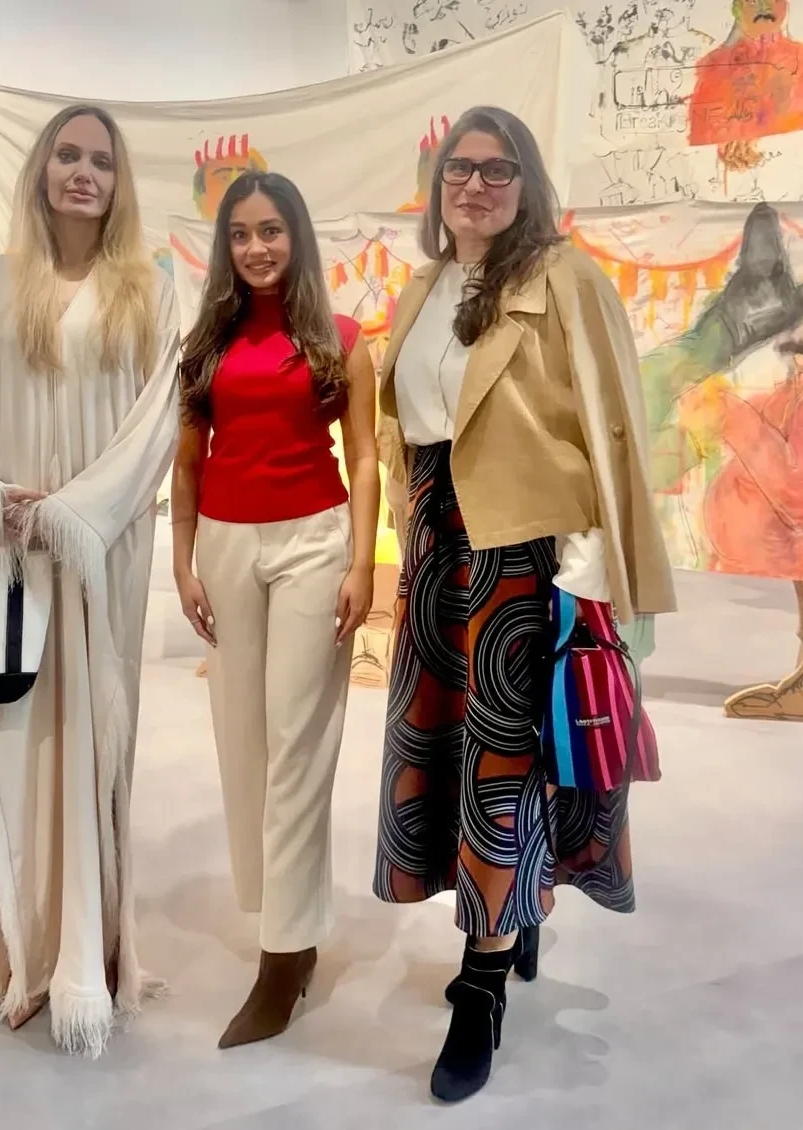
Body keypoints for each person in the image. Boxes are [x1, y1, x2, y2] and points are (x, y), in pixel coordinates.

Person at [373, 106, 675, 1102]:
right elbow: (407, 422)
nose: (474, 184)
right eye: (459, 168)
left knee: (500, 765)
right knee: (450, 752)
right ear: (437, 185)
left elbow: (608, 422)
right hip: (437, 547)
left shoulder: (563, 278)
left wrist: (584, 573)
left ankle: (481, 982)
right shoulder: (422, 285)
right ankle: (515, 911)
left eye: (497, 169)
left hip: (523, 554)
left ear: (526, 183)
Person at [0, 104, 180, 1057]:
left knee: (95, 740)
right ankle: (26, 958)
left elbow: (159, 418)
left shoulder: (152, 286)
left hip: (101, 547)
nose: (83, 172)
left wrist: (78, 512)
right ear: (41, 170)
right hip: (15, 548)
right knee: (15, 743)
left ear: (119, 182)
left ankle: (94, 960)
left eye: (101, 160)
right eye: (67, 155)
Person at [171, 171, 379, 1048]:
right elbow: (187, 461)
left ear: (297, 237)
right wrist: (181, 562)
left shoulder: (339, 340)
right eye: (240, 234)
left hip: (312, 542)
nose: (256, 248)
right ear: (225, 247)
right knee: (244, 741)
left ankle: (283, 956)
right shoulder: (204, 346)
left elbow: (363, 456)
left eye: (271, 231)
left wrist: (361, 563)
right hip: (224, 545)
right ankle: (282, 913)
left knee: (299, 741)